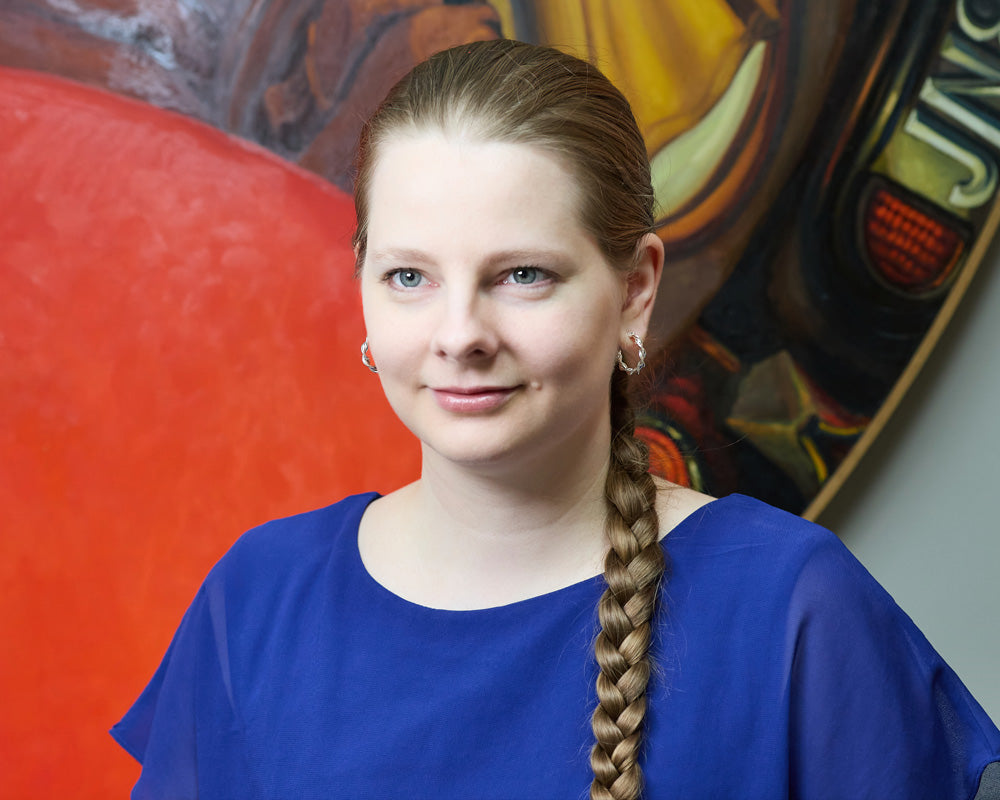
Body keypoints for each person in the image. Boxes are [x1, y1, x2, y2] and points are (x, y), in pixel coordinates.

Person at [111, 39, 1000, 799]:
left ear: (635, 290)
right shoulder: (258, 599)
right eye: (409, 277)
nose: (460, 336)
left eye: (522, 275)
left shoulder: (795, 610)